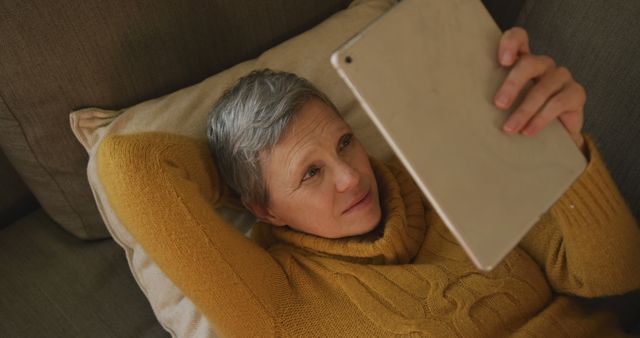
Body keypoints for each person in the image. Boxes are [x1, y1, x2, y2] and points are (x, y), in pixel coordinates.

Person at [100, 27, 640, 336]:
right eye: (311, 173)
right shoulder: (277, 304)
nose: (351, 176)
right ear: (265, 210)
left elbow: (614, 272)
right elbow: (127, 165)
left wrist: (562, 150)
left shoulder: (433, 168)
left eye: (343, 142)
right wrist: (241, 173)